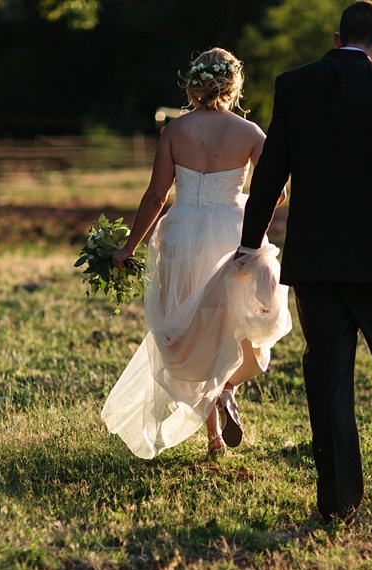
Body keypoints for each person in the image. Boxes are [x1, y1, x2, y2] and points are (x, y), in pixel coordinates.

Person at [239, 1, 372, 522]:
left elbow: (271, 172)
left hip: (317, 262)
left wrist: (250, 239)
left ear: (335, 40)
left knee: (327, 381)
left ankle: (338, 500)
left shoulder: (295, 85)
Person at [102, 48, 291, 460]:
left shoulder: (174, 132)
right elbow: (277, 191)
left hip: (183, 233)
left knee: (193, 329)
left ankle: (214, 439)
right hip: (234, 231)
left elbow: (156, 195)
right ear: (232, 83)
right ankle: (227, 388)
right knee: (233, 322)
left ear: (194, 82)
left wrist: (128, 247)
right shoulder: (251, 133)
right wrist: (242, 203)